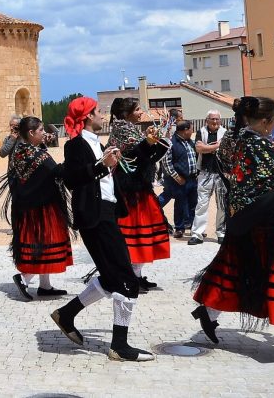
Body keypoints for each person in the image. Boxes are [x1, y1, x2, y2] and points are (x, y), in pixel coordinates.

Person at [191, 96, 274, 364]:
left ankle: (209, 312)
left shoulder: (239, 139)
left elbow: (263, 177)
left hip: (245, 220)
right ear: (266, 122)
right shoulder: (259, 145)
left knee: (240, 272)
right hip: (270, 226)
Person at [51, 97, 152, 362]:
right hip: (95, 217)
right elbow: (71, 178)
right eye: (97, 111)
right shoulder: (76, 145)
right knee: (127, 279)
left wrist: (148, 145)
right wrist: (100, 166)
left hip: (107, 212)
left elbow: (125, 166)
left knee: (111, 278)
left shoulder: (100, 144)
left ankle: (67, 314)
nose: (102, 114)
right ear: (86, 117)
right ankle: (119, 346)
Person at [0, 117, 71, 300]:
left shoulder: (22, 149)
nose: (44, 133)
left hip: (29, 204)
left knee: (43, 241)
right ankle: (25, 278)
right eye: (41, 130)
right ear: (31, 133)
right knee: (44, 242)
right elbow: (56, 171)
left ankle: (45, 285)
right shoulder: (35, 153)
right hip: (40, 206)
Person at [107, 98, 170, 291]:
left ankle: (136, 275)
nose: (141, 112)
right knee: (135, 232)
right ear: (126, 114)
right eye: (137, 109)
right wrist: (151, 143)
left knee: (141, 233)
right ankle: (131, 276)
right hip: (131, 191)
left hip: (138, 187)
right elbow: (136, 156)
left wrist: (157, 143)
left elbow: (145, 157)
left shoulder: (128, 128)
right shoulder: (124, 129)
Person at [189, 110, 228, 245]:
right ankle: (197, 234)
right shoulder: (201, 132)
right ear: (207, 120)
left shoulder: (225, 133)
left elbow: (226, 150)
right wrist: (217, 145)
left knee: (222, 204)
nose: (215, 121)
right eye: (212, 119)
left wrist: (207, 147)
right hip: (205, 172)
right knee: (201, 204)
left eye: (217, 119)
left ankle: (221, 232)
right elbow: (199, 148)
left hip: (222, 173)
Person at [159, 121, 198, 239]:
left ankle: (192, 228)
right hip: (179, 180)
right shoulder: (171, 143)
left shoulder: (190, 142)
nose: (192, 131)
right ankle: (179, 228)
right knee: (180, 204)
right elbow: (166, 163)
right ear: (185, 130)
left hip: (192, 179)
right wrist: (176, 177)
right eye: (191, 129)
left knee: (193, 204)